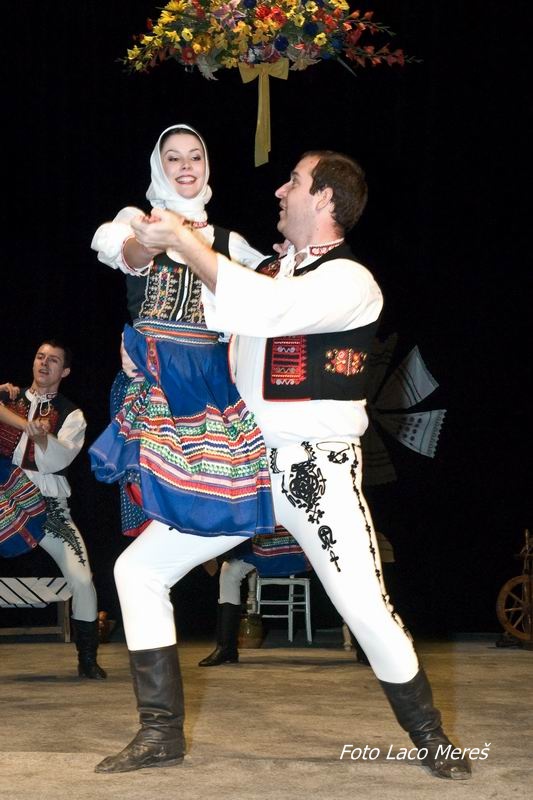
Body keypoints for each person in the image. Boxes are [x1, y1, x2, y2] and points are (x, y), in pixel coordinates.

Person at [129, 150, 471, 781]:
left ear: (326, 199)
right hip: (245, 467)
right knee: (138, 569)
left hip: (318, 476)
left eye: (294, 181)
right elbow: (221, 316)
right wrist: (148, 338)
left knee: (366, 611)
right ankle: (159, 734)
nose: (280, 191)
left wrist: (185, 241)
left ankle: (431, 737)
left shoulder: (351, 281)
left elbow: (266, 308)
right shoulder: (270, 271)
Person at [89, 125, 274, 774]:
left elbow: (269, 289)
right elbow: (130, 253)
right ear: (158, 166)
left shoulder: (229, 241)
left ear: (207, 164)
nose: (186, 165)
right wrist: (162, 233)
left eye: (195, 156)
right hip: (161, 383)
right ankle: (159, 727)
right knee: (147, 546)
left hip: (216, 391)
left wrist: (278, 263)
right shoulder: (136, 220)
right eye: (173, 158)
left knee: (189, 532)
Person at [0, 342, 107, 680]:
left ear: (65, 371)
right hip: (4, 497)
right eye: (40, 357)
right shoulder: (9, 398)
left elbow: (61, 458)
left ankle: (87, 658)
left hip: (47, 507)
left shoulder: (71, 415)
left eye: (54, 360)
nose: (44, 363)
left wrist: (44, 439)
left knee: (82, 579)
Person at [198, 525, 311, 667]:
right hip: (259, 541)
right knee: (228, 572)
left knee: (332, 561)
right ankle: (226, 649)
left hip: (295, 540)